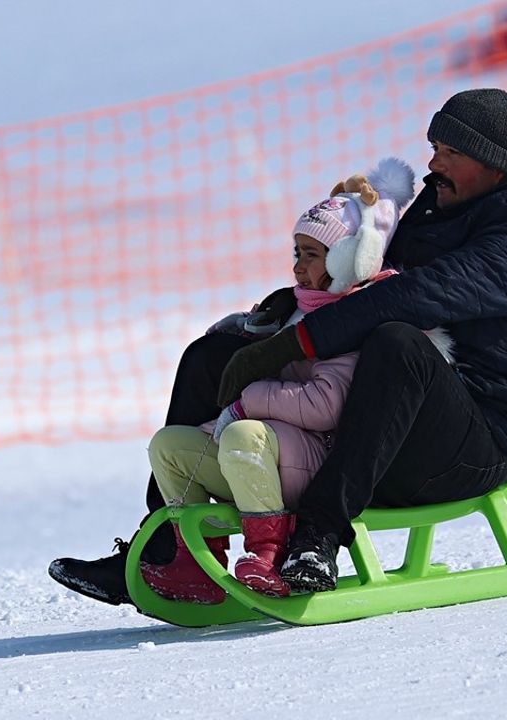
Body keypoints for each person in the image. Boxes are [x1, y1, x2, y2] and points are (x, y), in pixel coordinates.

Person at [49, 87, 507, 604]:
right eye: (434, 147)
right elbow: (372, 274)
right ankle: (167, 550)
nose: (433, 164)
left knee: (400, 344)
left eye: (451, 154)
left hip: (474, 444)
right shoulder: (444, 199)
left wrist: (293, 343)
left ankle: (316, 540)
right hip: (380, 420)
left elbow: (409, 297)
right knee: (212, 357)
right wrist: (298, 301)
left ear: (496, 166)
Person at [142, 159, 426, 603]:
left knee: (242, 432)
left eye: (311, 256)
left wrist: (246, 399)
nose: (297, 268)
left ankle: (269, 553)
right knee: (170, 446)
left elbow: (325, 404)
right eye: (297, 254)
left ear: (348, 258)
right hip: (267, 454)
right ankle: (196, 560)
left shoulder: (355, 315)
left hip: (318, 463)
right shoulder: (302, 306)